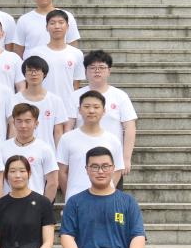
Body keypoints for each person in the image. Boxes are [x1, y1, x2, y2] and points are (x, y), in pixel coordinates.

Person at [67, 49, 137, 178]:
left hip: (111, 160)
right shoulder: (75, 96)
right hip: (81, 157)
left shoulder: (120, 96)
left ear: (109, 71)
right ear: (85, 71)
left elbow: (130, 127)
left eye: (101, 67)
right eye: (92, 67)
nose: (97, 71)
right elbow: (68, 127)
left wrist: (126, 158)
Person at [57, 90, 124, 201]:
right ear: (79, 110)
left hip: (105, 200)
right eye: (86, 107)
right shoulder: (67, 138)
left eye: (96, 107)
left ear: (104, 111)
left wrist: (107, 191)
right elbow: (62, 172)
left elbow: (117, 171)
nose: (91, 111)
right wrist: (69, 196)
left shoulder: (113, 140)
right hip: (75, 199)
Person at [1, 103, 60, 201]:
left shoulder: (44, 148)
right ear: (14, 123)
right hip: (8, 203)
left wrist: (44, 206)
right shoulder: (2, 148)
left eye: (28, 121)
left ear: (36, 123)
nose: (23, 125)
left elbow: (52, 182)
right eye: (19, 121)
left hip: (35, 203)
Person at [9, 55, 67, 152]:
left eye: (37, 70)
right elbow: (13, 128)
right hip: (21, 153)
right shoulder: (14, 99)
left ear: (44, 74)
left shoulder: (55, 100)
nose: (33, 74)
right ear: (24, 74)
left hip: (47, 152)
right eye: (29, 70)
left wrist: (58, 156)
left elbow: (58, 132)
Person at [14, 0, 80, 58]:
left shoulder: (66, 16)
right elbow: (18, 51)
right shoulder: (24, 20)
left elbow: (73, 46)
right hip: (33, 65)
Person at [26, 10, 85, 101]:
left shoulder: (77, 53)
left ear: (67, 27)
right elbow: (29, 82)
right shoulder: (35, 53)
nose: (57, 26)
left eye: (61, 22)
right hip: (42, 103)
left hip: (67, 104)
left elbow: (76, 84)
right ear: (46, 27)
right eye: (52, 23)